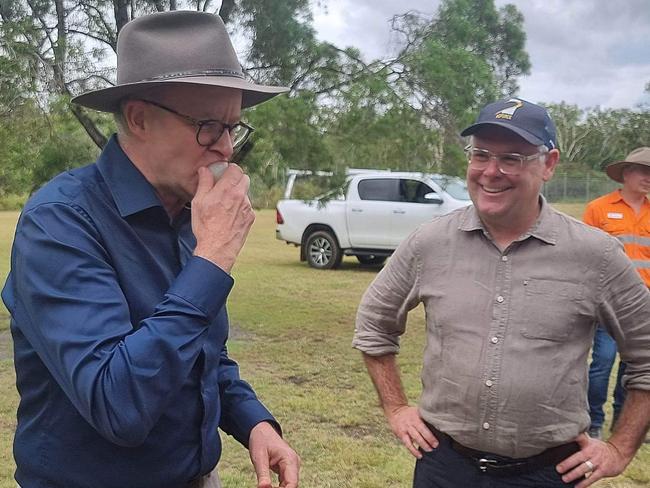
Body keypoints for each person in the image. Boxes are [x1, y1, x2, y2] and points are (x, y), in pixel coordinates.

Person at [1, 11, 300, 488]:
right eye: (207, 126)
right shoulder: (60, 221)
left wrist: (253, 422)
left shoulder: (187, 213)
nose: (225, 148)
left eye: (232, 128)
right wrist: (213, 259)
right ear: (140, 118)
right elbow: (118, 405)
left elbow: (202, 354)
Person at [352, 98, 650, 488]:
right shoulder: (430, 243)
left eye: (512, 157)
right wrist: (395, 408)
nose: (491, 172)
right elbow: (374, 325)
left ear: (549, 164)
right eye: (481, 155)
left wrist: (620, 447)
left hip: (548, 472)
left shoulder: (594, 255)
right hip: (445, 467)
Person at [583, 147, 650, 440]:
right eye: (643, 171)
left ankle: (625, 420)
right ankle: (593, 420)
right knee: (601, 364)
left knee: (637, 369)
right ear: (626, 173)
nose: (648, 178)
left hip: (645, 306)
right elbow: (583, 258)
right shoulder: (598, 208)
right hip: (609, 304)